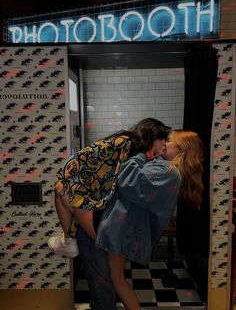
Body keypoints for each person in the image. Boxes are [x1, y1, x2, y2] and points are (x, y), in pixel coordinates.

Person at [95, 130, 204, 310]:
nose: (164, 143)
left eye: (169, 141)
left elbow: (130, 181)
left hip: (122, 229)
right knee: (117, 278)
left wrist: (143, 155)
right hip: (125, 227)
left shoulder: (167, 171)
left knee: (117, 279)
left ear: (181, 150)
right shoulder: (166, 169)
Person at [48, 118, 171, 258]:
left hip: (109, 222)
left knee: (60, 187)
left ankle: (67, 240)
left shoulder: (129, 147)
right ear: (154, 136)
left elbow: (83, 158)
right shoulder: (131, 148)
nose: (164, 146)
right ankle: (68, 240)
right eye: (164, 140)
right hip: (119, 222)